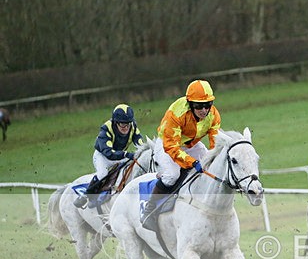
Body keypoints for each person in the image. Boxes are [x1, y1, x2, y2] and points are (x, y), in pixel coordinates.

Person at [140, 79, 221, 230]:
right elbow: (172, 147)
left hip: (190, 144)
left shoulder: (214, 115)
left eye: (207, 105)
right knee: (172, 175)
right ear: (190, 104)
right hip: (167, 143)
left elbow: (215, 144)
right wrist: (192, 162)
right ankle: (149, 211)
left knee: (208, 166)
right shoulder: (176, 112)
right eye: (198, 106)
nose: (204, 110)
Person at [74, 104, 143, 208]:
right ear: (116, 123)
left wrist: (142, 151)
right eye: (122, 124)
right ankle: (86, 196)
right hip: (103, 157)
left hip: (120, 155)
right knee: (102, 174)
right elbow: (109, 153)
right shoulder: (106, 129)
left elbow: (139, 141)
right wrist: (127, 154)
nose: (126, 128)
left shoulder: (132, 125)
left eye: (128, 124)